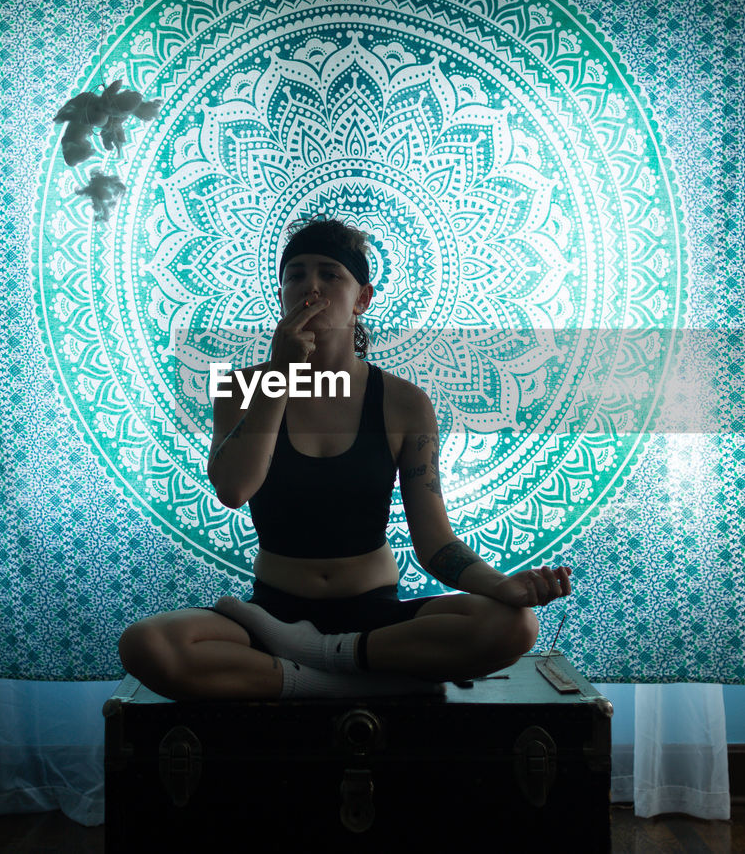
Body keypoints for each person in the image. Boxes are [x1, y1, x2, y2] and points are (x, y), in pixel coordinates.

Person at [118, 216, 572, 699]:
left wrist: (503, 588)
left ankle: (326, 660)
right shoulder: (240, 389)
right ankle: (339, 683)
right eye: (295, 275)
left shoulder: (403, 402)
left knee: (513, 628)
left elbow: (434, 541)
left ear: (362, 299)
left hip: (373, 618)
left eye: (330, 274)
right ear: (282, 297)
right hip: (274, 617)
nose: (310, 286)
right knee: (149, 645)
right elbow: (234, 489)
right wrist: (280, 373)